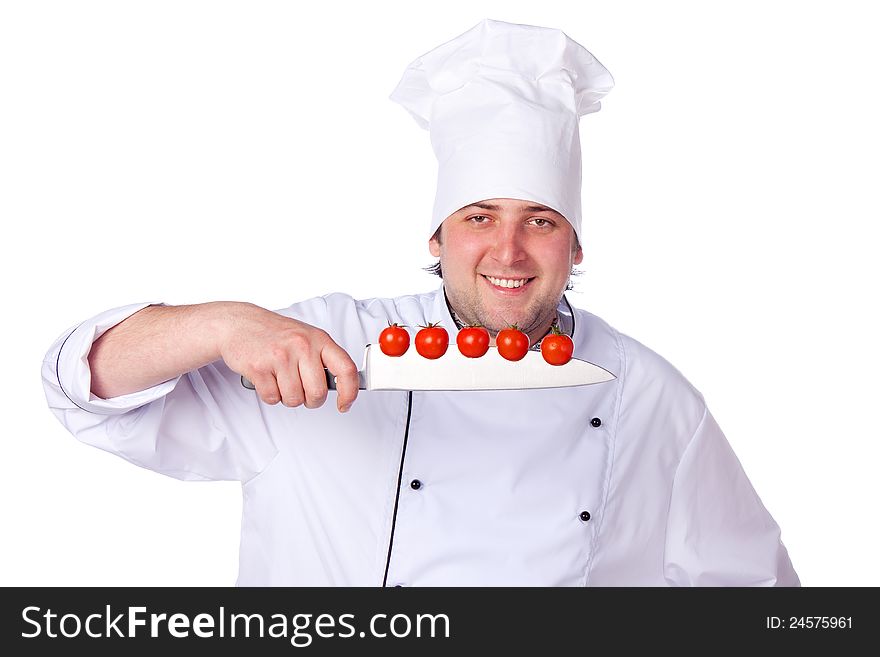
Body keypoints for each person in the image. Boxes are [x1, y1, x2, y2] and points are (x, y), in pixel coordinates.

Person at [41, 19, 799, 586]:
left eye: (540, 221)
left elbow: (758, 593)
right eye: (478, 218)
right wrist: (222, 322)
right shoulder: (322, 343)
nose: (507, 252)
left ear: (577, 247)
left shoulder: (648, 393)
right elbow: (83, 388)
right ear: (437, 237)